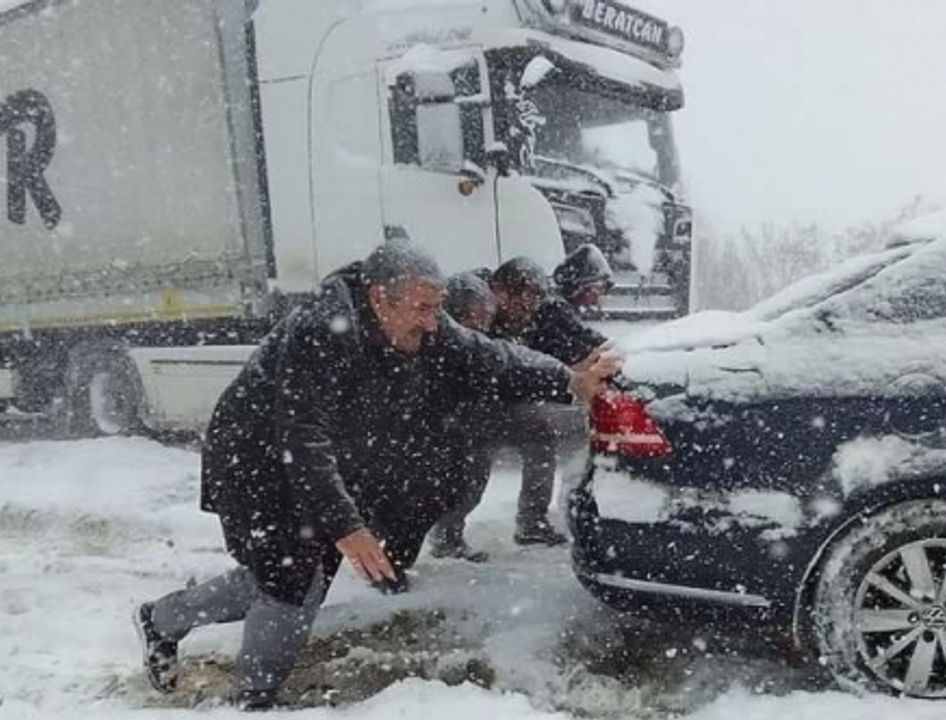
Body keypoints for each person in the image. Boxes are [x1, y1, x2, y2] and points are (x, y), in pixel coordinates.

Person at [131, 240, 616, 710]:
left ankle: (161, 619)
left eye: (437, 308)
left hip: (311, 459)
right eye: (423, 309)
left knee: (290, 575)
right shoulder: (322, 330)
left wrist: (569, 381)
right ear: (379, 297)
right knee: (291, 576)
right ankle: (254, 700)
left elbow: (486, 356)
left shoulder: (416, 318)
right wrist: (347, 527)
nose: (432, 324)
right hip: (256, 458)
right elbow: (302, 436)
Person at [432, 249, 614, 553]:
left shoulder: (526, 307)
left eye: (532, 308)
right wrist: (561, 383)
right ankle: (446, 536)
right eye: (522, 306)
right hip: (461, 402)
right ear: (501, 291)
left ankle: (532, 523)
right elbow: (489, 364)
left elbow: (521, 361)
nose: (526, 315)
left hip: (493, 396)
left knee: (538, 434)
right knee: (473, 466)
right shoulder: (469, 300)